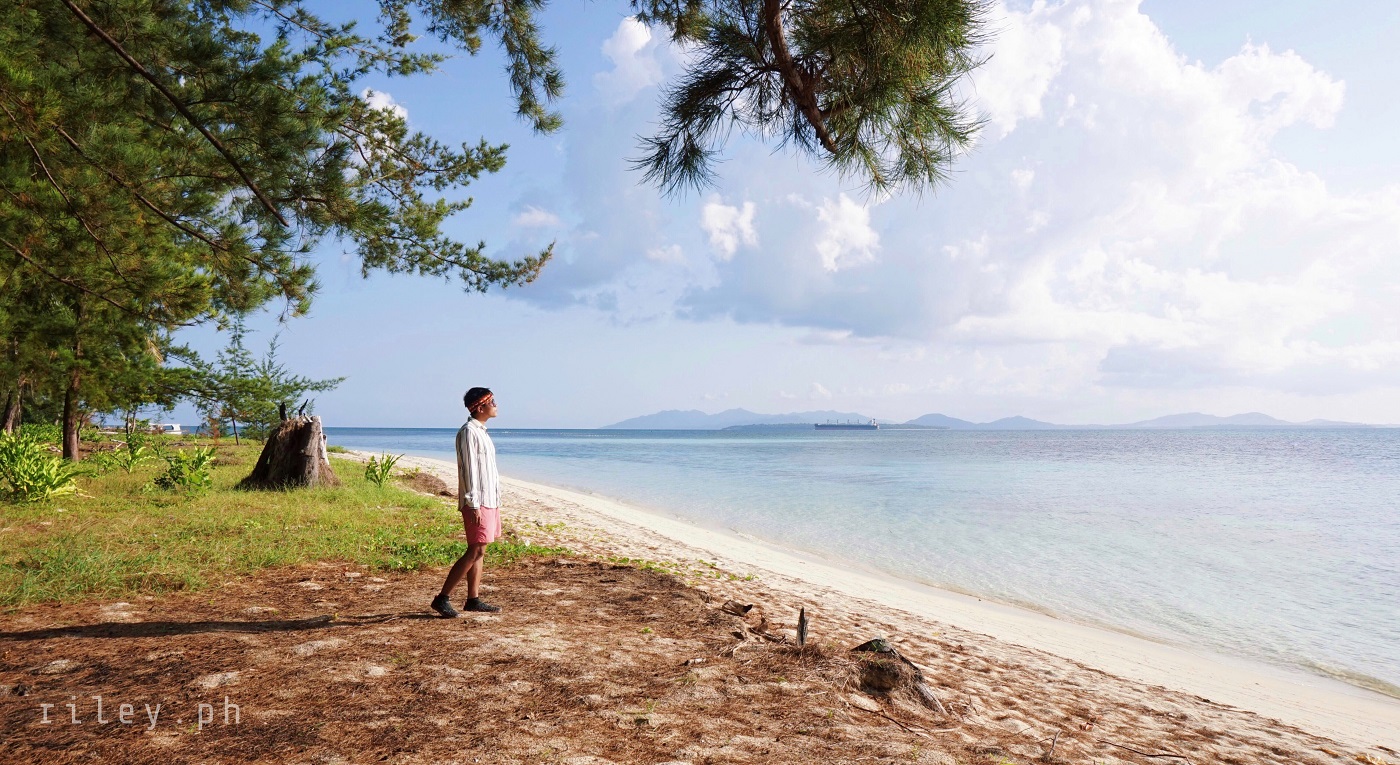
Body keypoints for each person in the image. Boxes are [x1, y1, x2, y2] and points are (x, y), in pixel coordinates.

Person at [430, 387, 502, 617]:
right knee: (475, 550)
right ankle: (442, 598)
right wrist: (473, 504)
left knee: (480, 550)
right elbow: (469, 470)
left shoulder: (482, 432)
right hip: (477, 501)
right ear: (480, 407)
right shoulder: (469, 432)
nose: (496, 405)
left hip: (489, 499)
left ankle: (473, 599)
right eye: (492, 402)